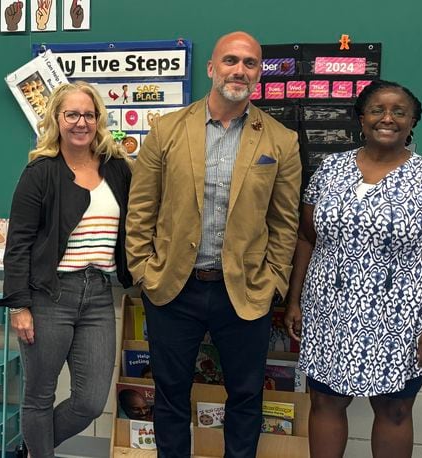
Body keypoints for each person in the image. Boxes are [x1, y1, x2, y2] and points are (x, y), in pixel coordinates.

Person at [126, 31, 301, 457]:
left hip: (244, 292)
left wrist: (274, 280)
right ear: (211, 68)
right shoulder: (166, 129)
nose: (239, 70)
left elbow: (285, 223)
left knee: (245, 397)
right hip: (173, 288)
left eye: (249, 63)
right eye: (230, 60)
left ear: (259, 73)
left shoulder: (280, 140)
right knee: (169, 396)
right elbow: (141, 208)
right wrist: (144, 271)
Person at [283, 80, 422, 457]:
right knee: (325, 402)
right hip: (329, 311)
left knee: (394, 408)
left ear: (412, 121)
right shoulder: (330, 169)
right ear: (360, 119)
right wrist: (294, 299)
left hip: (404, 316)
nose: (388, 118)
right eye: (377, 110)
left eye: (399, 111)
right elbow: (306, 237)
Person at [0, 81, 133, 458]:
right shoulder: (40, 172)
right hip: (50, 296)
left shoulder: (117, 169)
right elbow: (17, 244)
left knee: (90, 401)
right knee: (39, 395)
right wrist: (19, 306)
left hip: (99, 294)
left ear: (99, 119)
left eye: (89, 114)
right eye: (72, 114)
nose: (81, 123)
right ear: (57, 119)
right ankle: (40, 453)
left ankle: (32, 448)